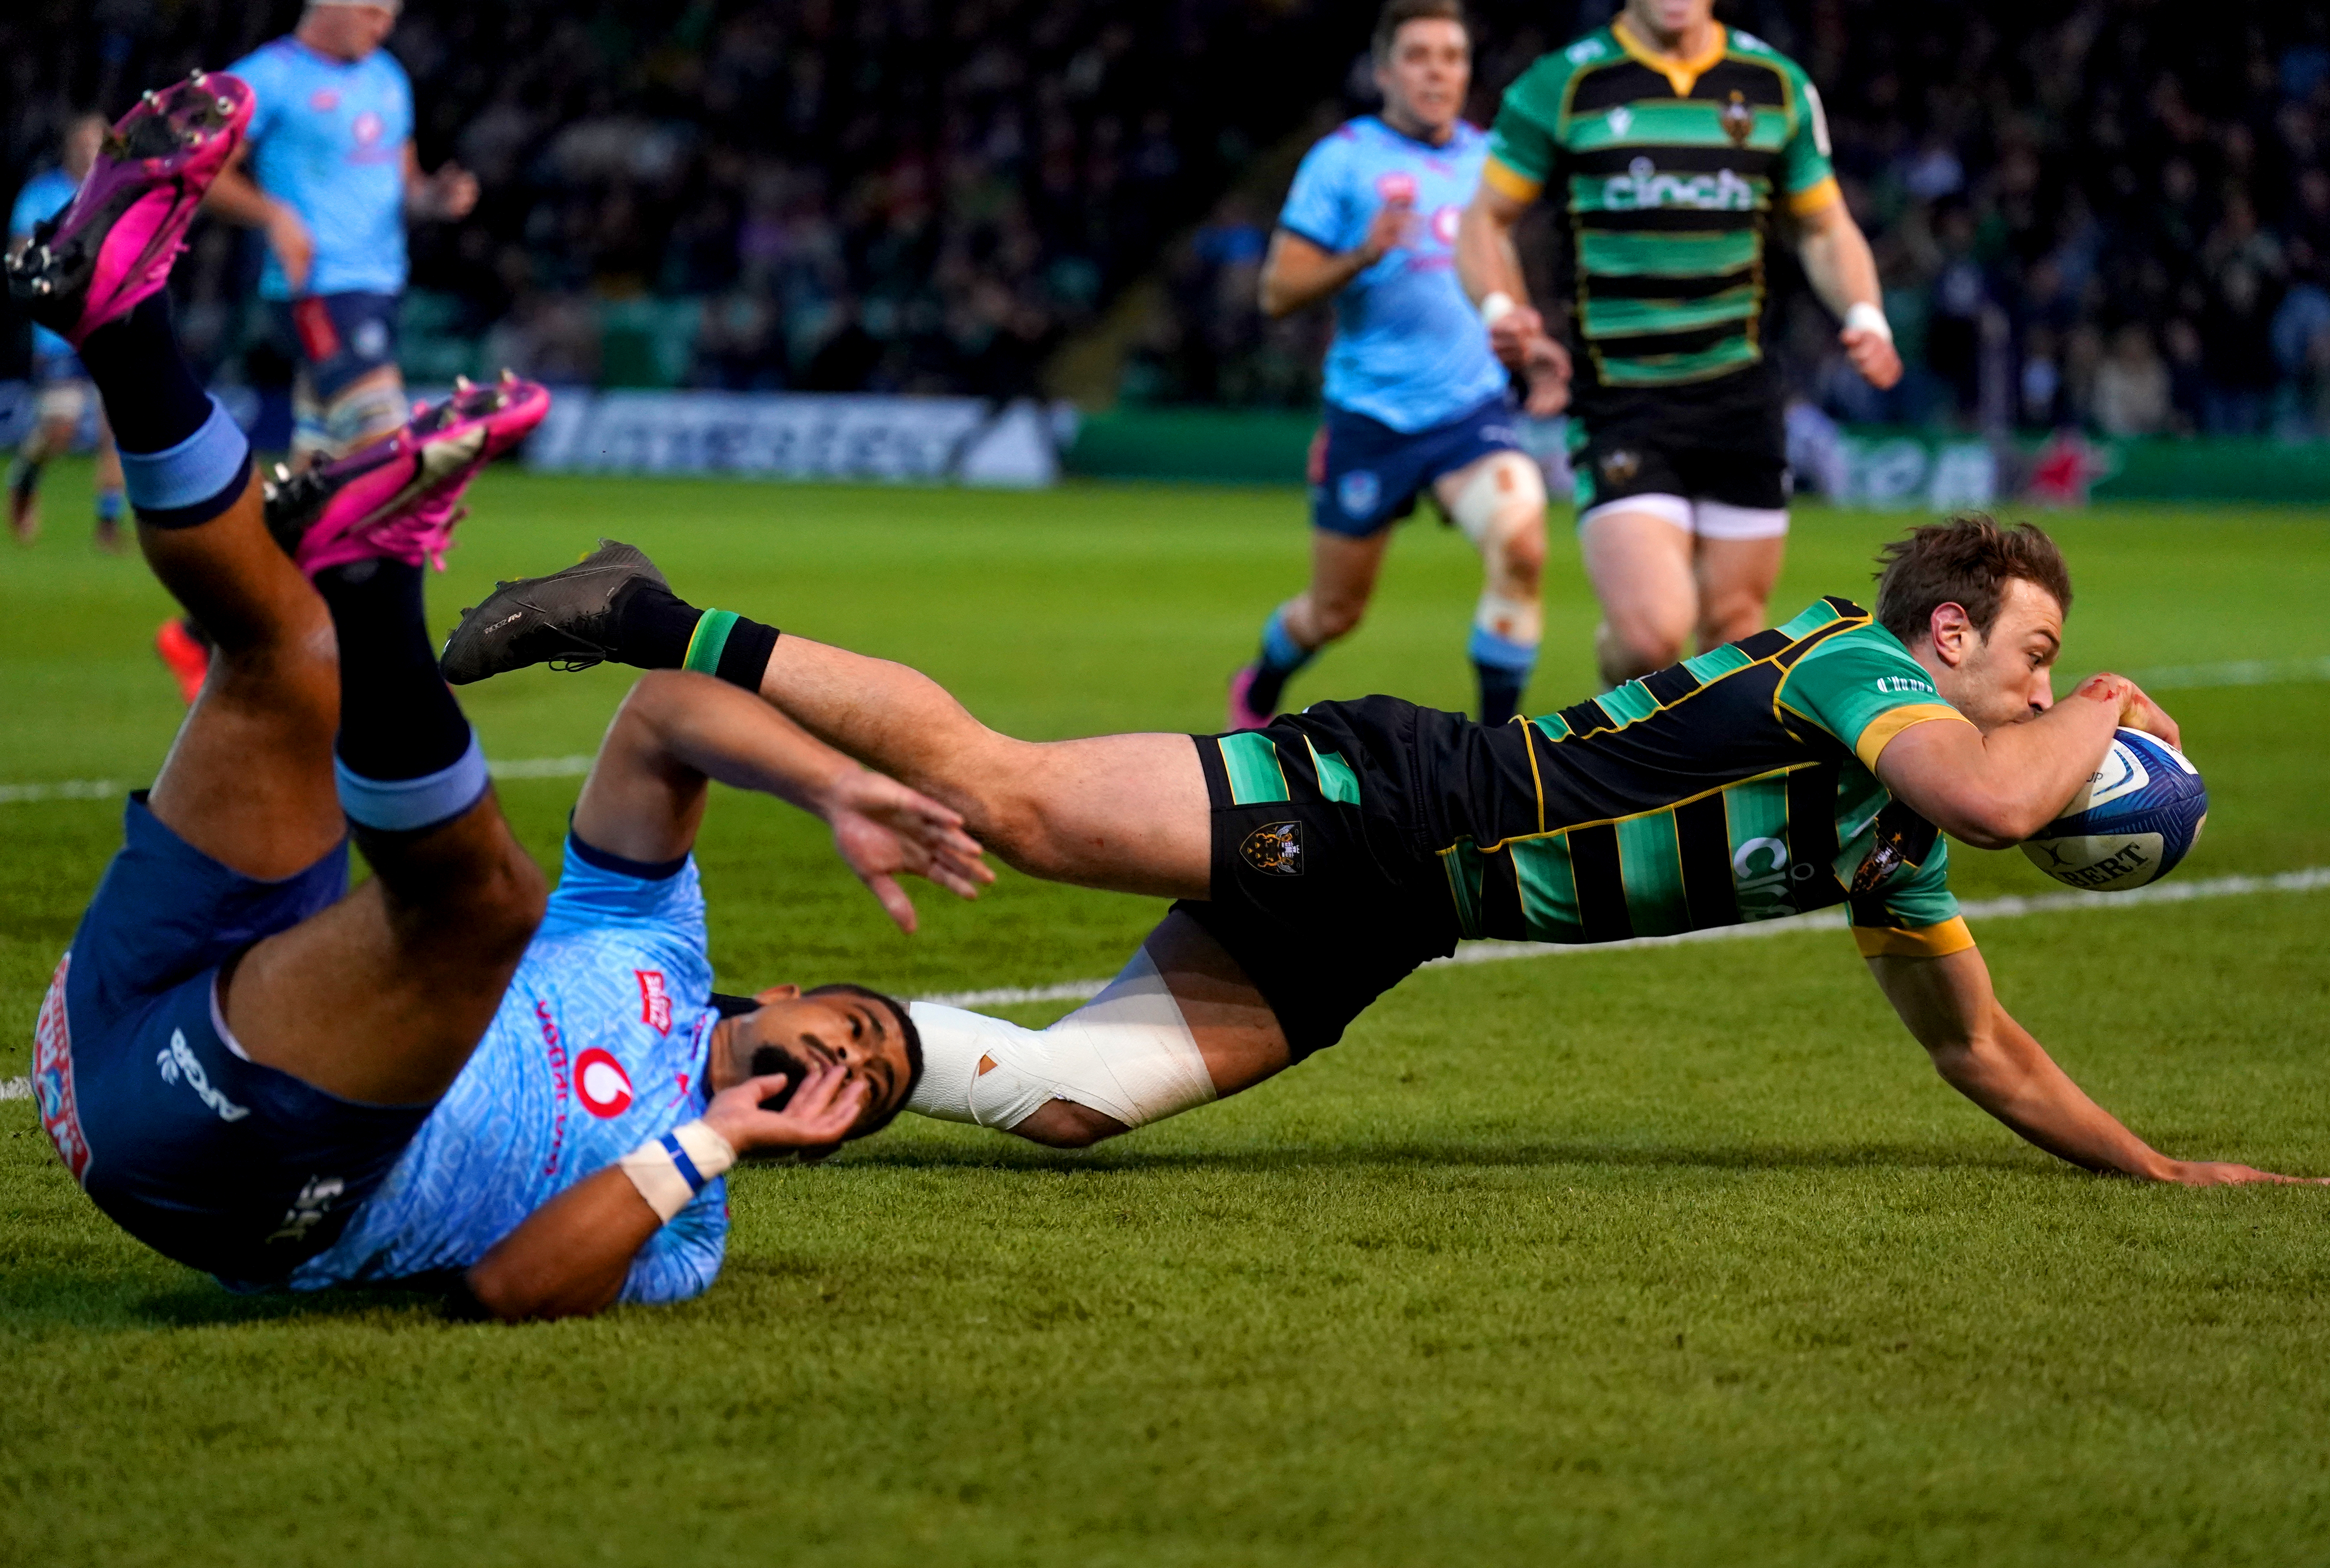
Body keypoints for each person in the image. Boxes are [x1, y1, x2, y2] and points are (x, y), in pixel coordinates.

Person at [446, 519, 2320, 1189]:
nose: (2056, 689)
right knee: (1008, 797)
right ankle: (651, 615)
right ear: (1947, 641)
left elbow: (1978, 1049)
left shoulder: (1887, 841)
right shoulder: (1842, 660)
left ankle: (748, 1035)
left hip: (1394, 924)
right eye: (2039, 653)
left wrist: (2160, 1165)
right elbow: (2009, 795)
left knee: (1070, 1101)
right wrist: (2117, 718)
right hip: (1395, 798)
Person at [11, 79, 988, 1321]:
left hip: (238, 1166)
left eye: (871, 1084)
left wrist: (713, 1139)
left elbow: (511, 1283)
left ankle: (378, 578)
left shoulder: (685, 1216)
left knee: (485, 910)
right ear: (792, 991)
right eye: (862, 1028)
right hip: (137, 1009)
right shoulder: (655, 949)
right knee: (285, 654)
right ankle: (116, 318)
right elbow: (663, 718)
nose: (854, 1056)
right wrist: (833, 779)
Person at [1454, 0, 1904, 689]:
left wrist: (1865, 316)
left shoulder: (1774, 84)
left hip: (1739, 396)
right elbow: (1485, 220)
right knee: (1648, 635)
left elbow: (1822, 226)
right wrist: (1501, 307)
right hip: (1623, 398)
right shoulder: (1562, 86)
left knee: (1732, 631)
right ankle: (1613, 725)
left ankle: (1686, 796)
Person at [1230, 0, 1557, 731]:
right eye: (1418, 56)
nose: (1436, 71)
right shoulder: (1341, 161)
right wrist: (1361, 255)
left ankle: (1497, 750)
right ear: (1384, 71)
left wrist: (1526, 343)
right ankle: (1259, 685)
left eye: (1451, 56)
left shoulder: (1488, 160)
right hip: (1371, 418)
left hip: (1468, 414)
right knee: (1333, 612)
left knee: (1522, 542)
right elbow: (1277, 289)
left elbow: (1497, 264)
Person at [207, 0, 477, 468]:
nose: (385, 27)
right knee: (385, 437)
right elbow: (206, 172)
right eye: (373, 13)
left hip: (383, 284)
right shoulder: (266, 76)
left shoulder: (388, 76)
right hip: (317, 285)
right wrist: (273, 215)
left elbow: (404, 182)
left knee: (320, 456)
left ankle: (278, 537)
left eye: (391, 16)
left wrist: (435, 196)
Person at [6, 113, 125, 550]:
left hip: (109, 319)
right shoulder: (42, 194)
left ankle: (108, 526)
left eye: (96, 143)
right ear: (68, 147)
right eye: (81, 143)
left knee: (119, 426)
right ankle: (25, 476)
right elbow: (20, 251)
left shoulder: (118, 193)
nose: (88, 152)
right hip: (59, 329)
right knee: (61, 429)